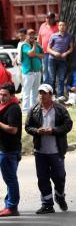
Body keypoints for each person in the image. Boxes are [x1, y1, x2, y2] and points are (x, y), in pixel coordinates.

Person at [25, 84, 73, 214]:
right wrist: (37, 131)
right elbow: (28, 127)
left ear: (51, 95)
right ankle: (47, 204)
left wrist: (54, 130)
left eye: (44, 93)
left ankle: (59, 195)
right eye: (40, 93)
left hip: (56, 150)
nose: (41, 95)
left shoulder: (60, 109)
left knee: (59, 176)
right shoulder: (34, 109)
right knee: (42, 178)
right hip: (40, 151)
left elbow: (68, 124)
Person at [0, 84, 22, 217]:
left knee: (10, 179)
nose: (2, 97)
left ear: (12, 96)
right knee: (9, 179)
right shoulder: (3, 107)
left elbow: (13, 129)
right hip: (5, 149)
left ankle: (12, 207)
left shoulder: (13, 109)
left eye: (5, 95)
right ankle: (9, 205)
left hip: (9, 150)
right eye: (0, 94)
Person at [46, 21, 73, 97]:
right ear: (58, 27)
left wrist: (66, 53)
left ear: (66, 26)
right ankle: (51, 95)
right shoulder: (53, 36)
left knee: (61, 79)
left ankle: (60, 96)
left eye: (63, 25)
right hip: (52, 59)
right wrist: (54, 53)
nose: (62, 26)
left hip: (62, 60)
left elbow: (71, 48)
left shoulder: (69, 36)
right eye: (60, 25)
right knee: (52, 78)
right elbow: (48, 48)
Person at [21, 30, 44, 113]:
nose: (31, 36)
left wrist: (36, 54)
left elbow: (42, 55)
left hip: (37, 71)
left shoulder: (38, 45)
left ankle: (33, 109)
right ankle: (25, 110)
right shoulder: (24, 45)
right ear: (26, 36)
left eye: (33, 34)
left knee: (35, 92)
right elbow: (30, 53)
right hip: (28, 72)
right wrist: (34, 45)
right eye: (29, 35)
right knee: (27, 92)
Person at [38, 13, 58, 84]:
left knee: (51, 70)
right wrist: (39, 49)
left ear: (53, 19)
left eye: (50, 18)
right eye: (47, 18)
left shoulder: (57, 26)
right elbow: (39, 37)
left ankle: (52, 86)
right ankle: (46, 86)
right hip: (44, 52)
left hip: (53, 52)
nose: (48, 20)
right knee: (45, 70)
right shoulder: (43, 25)